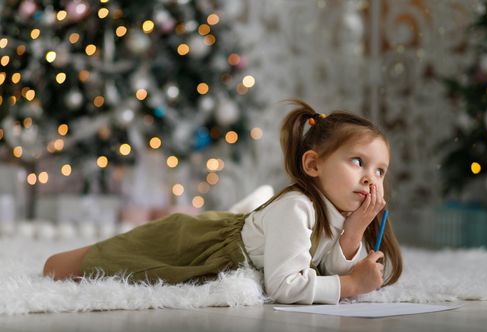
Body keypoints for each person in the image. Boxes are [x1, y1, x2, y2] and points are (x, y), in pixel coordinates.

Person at [43, 99, 402, 304]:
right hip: (193, 242)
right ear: (313, 164)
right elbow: (286, 286)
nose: (371, 177)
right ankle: (250, 216)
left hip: (237, 241)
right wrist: (352, 286)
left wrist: (353, 233)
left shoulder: (336, 212)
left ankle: (251, 214)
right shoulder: (298, 208)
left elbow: (322, 270)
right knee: (63, 268)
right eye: (358, 162)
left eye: (381, 170)